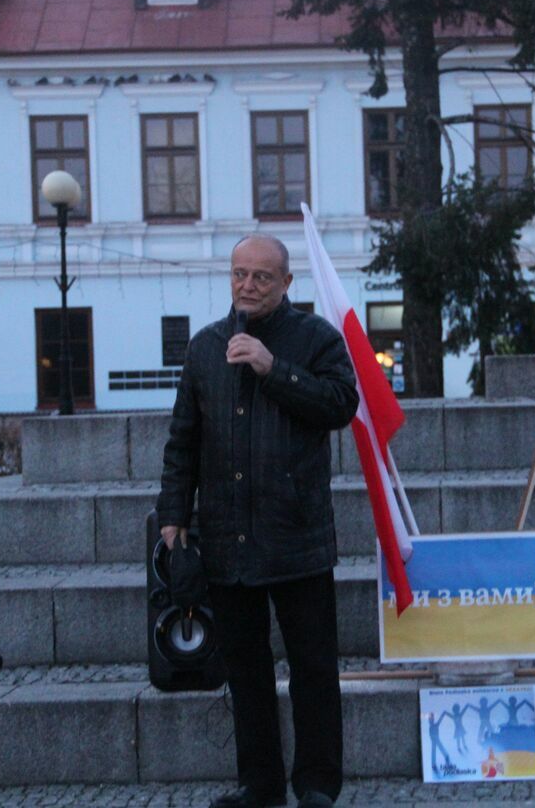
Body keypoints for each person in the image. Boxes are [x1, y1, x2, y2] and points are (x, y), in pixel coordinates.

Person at [157, 234, 359, 808]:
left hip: (297, 536)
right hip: (227, 539)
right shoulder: (204, 348)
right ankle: (260, 784)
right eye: (239, 274)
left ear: (287, 283)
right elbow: (183, 442)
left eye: (261, 277)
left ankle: (317, 784)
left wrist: (275, 370)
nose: (247, 285)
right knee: (246, 672)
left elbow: (341, 405)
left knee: (313, 669)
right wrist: (175, 514)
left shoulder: (316, 339)